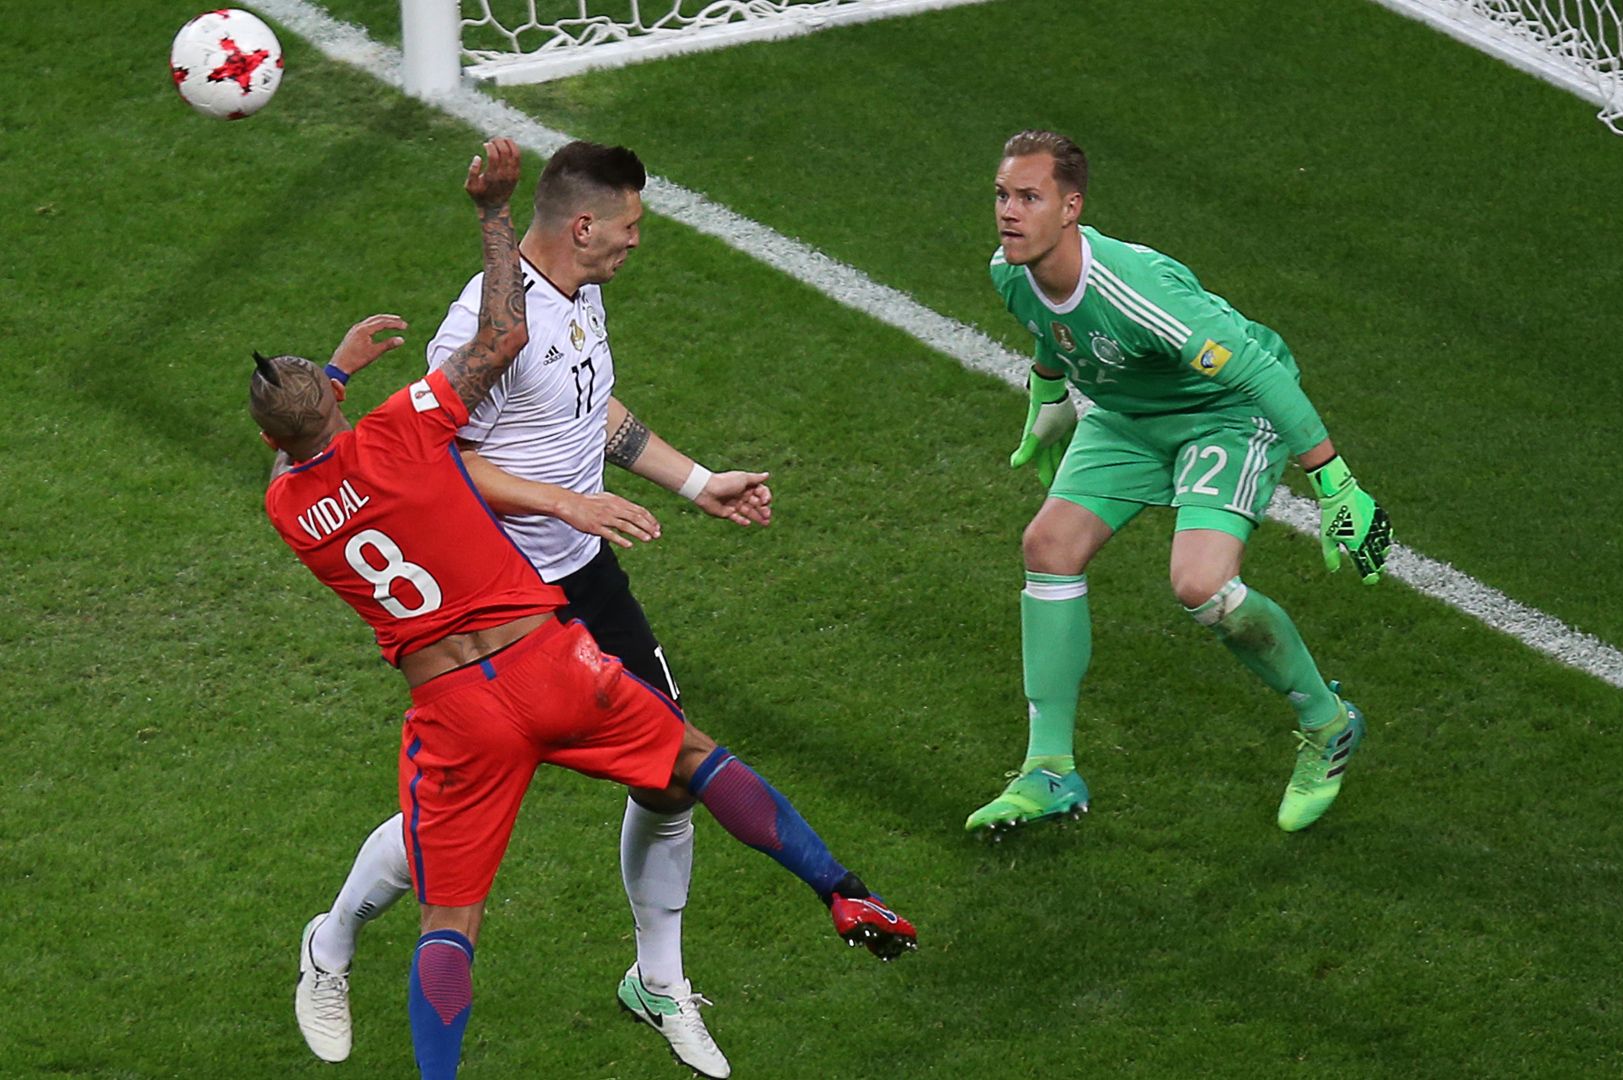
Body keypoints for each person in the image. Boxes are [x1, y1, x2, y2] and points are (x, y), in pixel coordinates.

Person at [257, 138, 915, 1080]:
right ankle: (333, 939)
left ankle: (657, 982)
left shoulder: (581, 295)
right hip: (503, 597)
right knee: (452, 846)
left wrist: (694, 482)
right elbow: (444, 462)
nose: (637, 243)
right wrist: (564, 501)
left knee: (671, 778)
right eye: (631, 227)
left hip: (582, 578)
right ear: (582, 225)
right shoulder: (472, 330)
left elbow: (586, 407)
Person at [966, 130, 1393, 838]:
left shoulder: (1134, 291)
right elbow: (1048, 327)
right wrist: (1048, 396)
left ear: (1071, 207)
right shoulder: (1010, 272)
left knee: (1201, 586)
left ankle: (1328, 722)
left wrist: (1334, 482)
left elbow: (1258, 371)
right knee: (1047, 546)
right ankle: (1048, 770)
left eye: (1029, 198)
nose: (1009, 212)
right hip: (1130, 417)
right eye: (1002, 196)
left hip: (1220, 417)